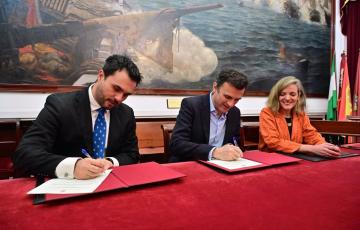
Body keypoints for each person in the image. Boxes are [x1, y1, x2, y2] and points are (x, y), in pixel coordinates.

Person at [12, 55, 143, 179]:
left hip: (110, 185)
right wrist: (73, 167)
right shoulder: (60, 106)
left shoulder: (126, 114)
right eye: (116, 88)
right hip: (67, 188)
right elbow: (25, 154)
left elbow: (131, 154)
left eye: (126, 94)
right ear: (101, 76)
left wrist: (110, 161)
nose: (119, 99)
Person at [169, 69, 248, 162]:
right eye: (227, 97)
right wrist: (215, 152)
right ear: (215, 87)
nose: (231, 104)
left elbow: (234, 141)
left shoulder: (235, 112)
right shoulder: (191, 105)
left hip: (223, 165)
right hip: (191, 162)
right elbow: (177, 144)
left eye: (237, 100)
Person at [259, 76, 340, 157]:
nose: (287, 98)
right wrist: (310, 148)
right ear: (277, 96)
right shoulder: (267, 113)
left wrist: (326, 147)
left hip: (295, 158)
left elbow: (311, 135)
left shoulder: (301, 114)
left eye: (292, 94)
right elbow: (273, 142)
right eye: (282, 94)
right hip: (271, 159)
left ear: (299, 95)